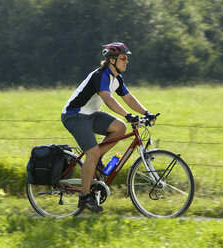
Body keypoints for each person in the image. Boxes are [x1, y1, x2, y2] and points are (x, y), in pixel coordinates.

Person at [61, 42, 156, 213]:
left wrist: (146, 112)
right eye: (123, 58)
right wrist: (128, 116)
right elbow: (108, 99)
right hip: (74, 116)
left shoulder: (117, 78)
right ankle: (85, 197)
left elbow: (128, 97)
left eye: (126, 58)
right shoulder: (101, 75)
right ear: (112, 60)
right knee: (93, 152)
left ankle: (95, 162)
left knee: (119, 128)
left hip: (90, 114)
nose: (126, 61)